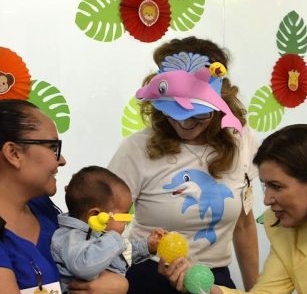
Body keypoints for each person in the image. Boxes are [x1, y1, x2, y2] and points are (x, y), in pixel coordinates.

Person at [161, 124, 307, 294]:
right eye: (265, 186)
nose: (266, 200)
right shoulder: (283, 230)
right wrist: (204, 287)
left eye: (276, 186)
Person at [109, 36, 260, 293]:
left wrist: (256, 291)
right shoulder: (135, 149)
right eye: (173, 112)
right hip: (149, 276)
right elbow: (110, 224)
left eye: (198, 114)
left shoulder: (242, 141)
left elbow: (244, 225)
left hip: (214, 281)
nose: (184, 123)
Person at [0, 99, 128, 294]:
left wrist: (118, 283)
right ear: (13, 153)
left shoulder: (44, 208)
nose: (62, 160)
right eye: (53, 147)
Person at [51, 165, 167, 293]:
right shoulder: (71, 237)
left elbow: (119, 254)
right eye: (124, 217)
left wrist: (146, 246)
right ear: (95, 215)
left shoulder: (100, 235)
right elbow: (84, 267)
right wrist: (114, 238)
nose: (127, 222)